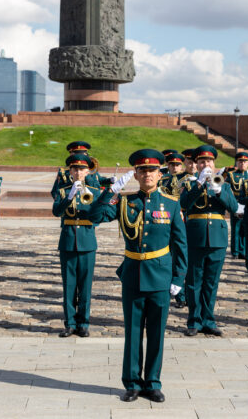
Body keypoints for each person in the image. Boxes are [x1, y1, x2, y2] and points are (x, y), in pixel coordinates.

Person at [90, 149, 187, 403]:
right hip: (133, 274)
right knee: (133, 333)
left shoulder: (171, 204)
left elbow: (180, 244)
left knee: (156, 333)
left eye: (152, 171)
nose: (147, 175)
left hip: (161, 276)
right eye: (142, 171)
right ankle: (132, 383)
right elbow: (95, 216)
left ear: (159, 174)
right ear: (135, 174)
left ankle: (153, 383)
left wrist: (178, 279)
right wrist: (110, 191)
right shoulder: (125, 201)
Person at [179, 145, 239, 336]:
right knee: (194, 281)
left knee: (211, 283)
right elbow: (183, 204)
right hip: (195, 236)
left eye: (209, 162)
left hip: (217, 238)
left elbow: (234, 206)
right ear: (196, 165)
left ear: (214, 164)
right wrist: (199, 184)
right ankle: (194, 321)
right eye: (202, 162)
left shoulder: (224, 183)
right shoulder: (188, 184)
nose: (206, 164)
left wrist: (219, 190)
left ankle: (209, 320)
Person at [51, 154, 104, 337]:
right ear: (70, 171)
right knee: (69, 285)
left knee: (85, 285)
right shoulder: (63, 190)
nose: (78, 172)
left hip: (87, 241)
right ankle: (70, 323)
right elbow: (56, 212)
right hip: (67, 241)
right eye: (74, 169)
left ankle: (84, 323)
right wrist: (69, 196)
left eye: (82, 169)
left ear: (87, 171)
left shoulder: (94, 191)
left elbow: (98, 215)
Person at [227, 152, 248, 259]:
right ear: (237, 162)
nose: (242, 164)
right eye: (240, 161)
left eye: (245, 162)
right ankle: (235, 251)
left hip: (247, 204)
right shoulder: (231, 174)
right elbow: (227, 189)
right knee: (236, 228)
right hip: (236, 203)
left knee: (245, 228)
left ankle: (243, 250)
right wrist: (232, 204)